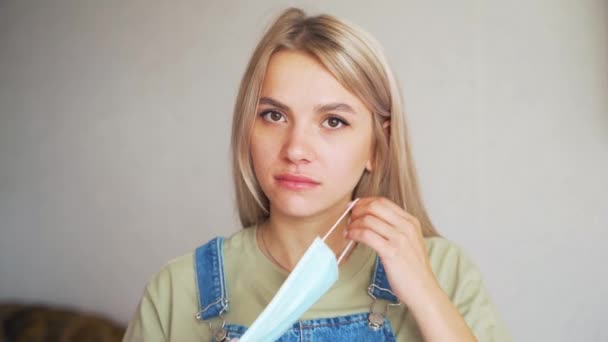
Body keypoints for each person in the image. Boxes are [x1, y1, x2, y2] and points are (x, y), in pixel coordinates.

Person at [123, 7, 510, 342]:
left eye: (333, 121)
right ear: (246, 128)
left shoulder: (444, 272)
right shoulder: (177, 290)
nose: (295, 149)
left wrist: (425, 295)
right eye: (274, 115)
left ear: (378, 146)